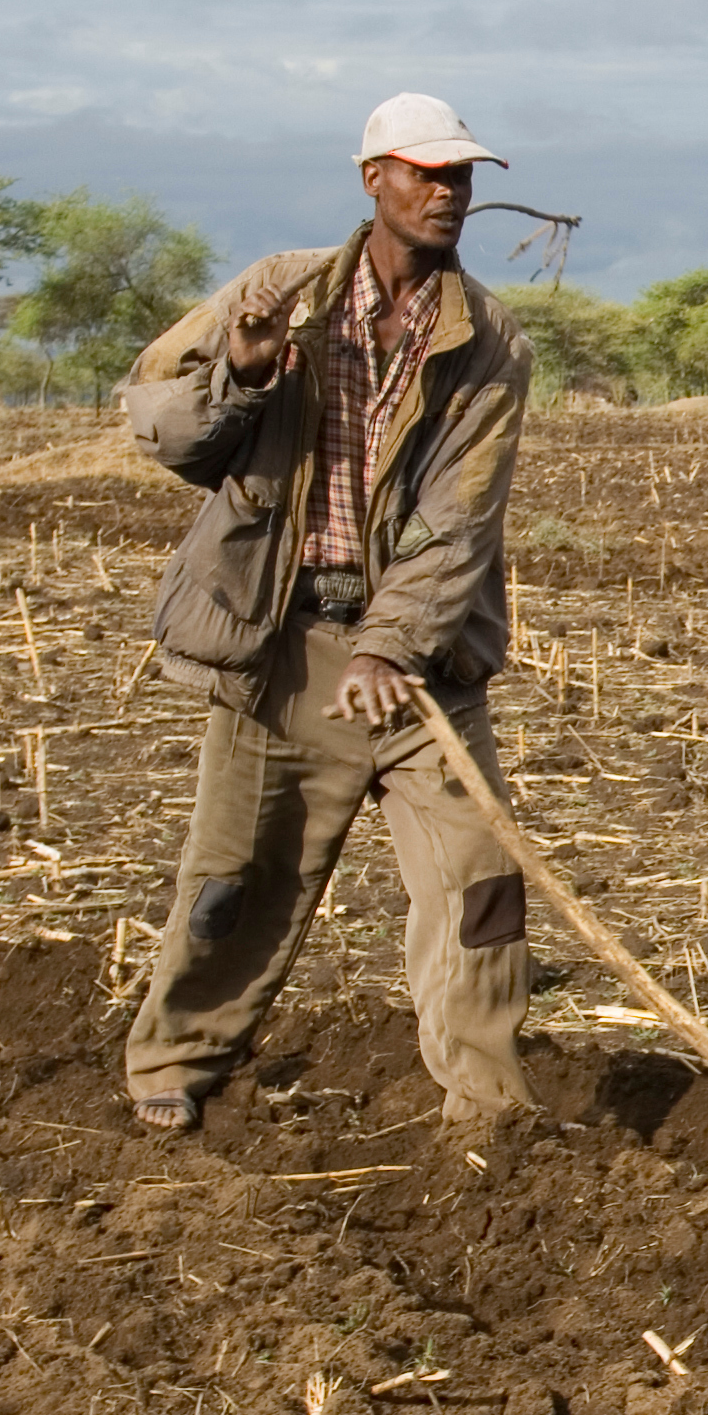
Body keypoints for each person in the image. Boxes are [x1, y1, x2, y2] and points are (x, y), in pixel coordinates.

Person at [118, 93, 540, 1134]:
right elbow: (160, 427)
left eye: (460, 177)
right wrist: (243, 376)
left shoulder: (488, 339)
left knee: (480, 882)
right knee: (240, 878)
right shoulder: (278, 291)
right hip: (288, 641)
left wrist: (393, 642)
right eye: (423, 173)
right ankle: (176, 1057)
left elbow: (458, 516)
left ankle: (485, 1102)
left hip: (421, 662)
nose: (446, 192)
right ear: (373, 179)